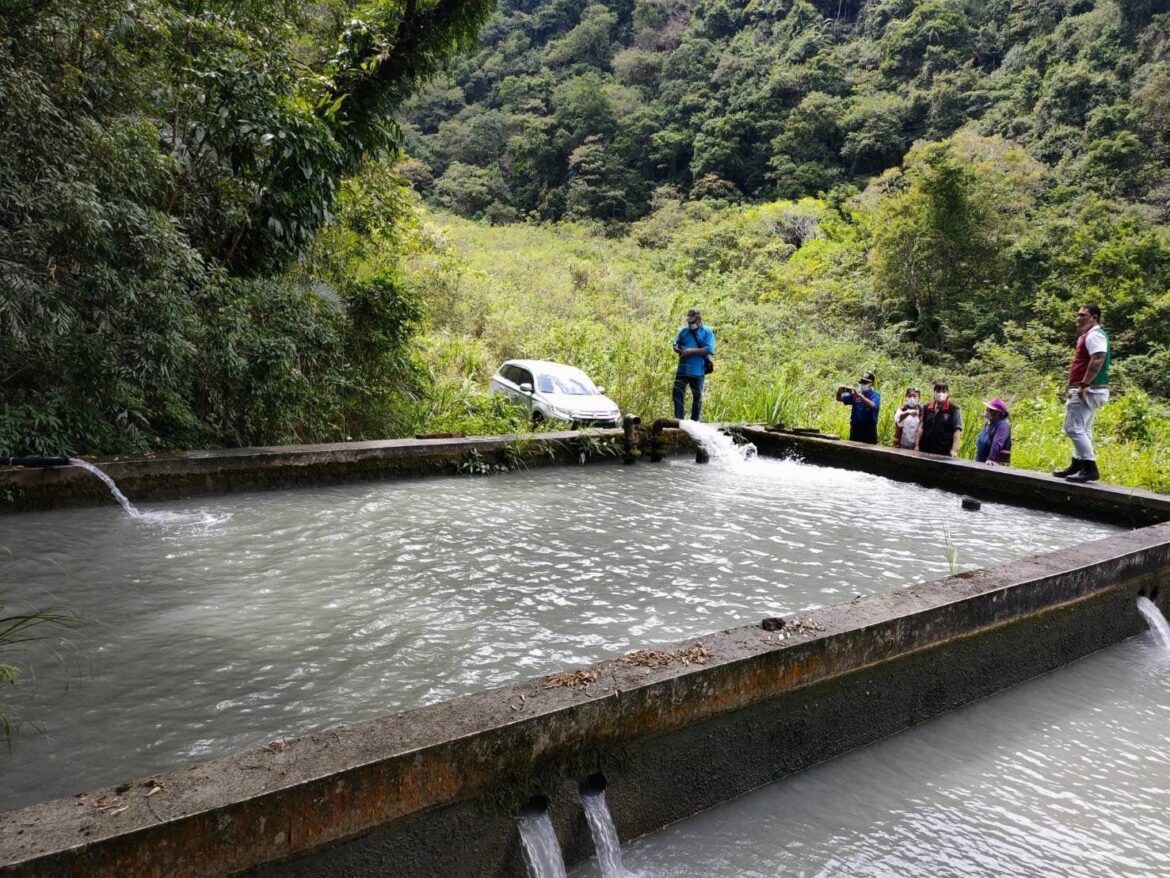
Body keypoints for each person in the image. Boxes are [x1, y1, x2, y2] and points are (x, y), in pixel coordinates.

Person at [1053, 302, 1110, 483]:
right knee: (1083, 429)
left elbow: (1098, 359)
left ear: (1094, 317)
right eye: (1078, 315)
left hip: (1088, 389)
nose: (1078, 318)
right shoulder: (1092, 335)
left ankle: (1090, 468)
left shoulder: (1094, 336)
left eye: (1083, 315)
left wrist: (1084, 385)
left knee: (1073, 428)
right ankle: (1077, 465)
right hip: (1091, 389)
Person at [672, 308, 715, 421]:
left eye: (692, 322)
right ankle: (679, 421)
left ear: (699, 320)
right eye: (689, 322)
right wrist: (677, 349)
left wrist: (691, 351)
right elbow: (676, 344)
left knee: (697, 398)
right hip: (682, 370)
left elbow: (709, 349)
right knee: (677, 396)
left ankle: (695, 423)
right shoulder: (684, 331)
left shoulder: (707, 331)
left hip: (697, 371)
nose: (690, 324)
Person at [916, 380, 963, 457]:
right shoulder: (926, 408)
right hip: (925, 449)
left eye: (943, 391)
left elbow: (957, 430)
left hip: (944, 450)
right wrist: (917, 445)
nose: (940, 393)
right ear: (934, 392)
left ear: (947, 394)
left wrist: (954, 450)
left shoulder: (953, 410)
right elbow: (921, 426)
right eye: (938, 390)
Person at [834, 371, 881, 444]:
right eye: (861, 381)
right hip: (855, 429)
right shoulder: (855, 394)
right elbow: (839, 399)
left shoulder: (875, 395)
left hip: (868, 431)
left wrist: (860, 396)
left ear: (872, 384)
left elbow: (872, 406)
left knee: (869, 453)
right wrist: (839, 392)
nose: (862, 384)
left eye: (865, 382)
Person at [975, 398, 1012, 465]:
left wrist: (991, 459)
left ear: (997, 413)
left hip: (994, 465)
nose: (987, 411)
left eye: (990, 410)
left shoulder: (1003, 426)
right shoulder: (988, 424)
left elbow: (997, 443)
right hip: (981, 462)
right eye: (987, 409)